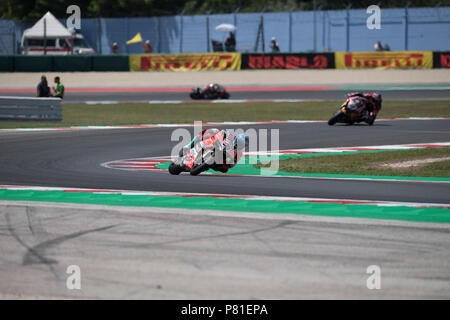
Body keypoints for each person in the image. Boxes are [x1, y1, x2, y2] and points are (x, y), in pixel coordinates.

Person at [180, 128, 248, 173]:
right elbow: (221, 132)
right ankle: (189, 145)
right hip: (215, 145)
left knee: (225, 169)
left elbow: (232, 165)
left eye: (241, 145)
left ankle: (206, 165)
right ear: (236, 139)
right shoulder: (229, 136)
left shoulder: (239, 153)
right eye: (239, 143)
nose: (240, 146)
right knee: (206, 131)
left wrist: (231, 161)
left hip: (221, 158)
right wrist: (218, 135)